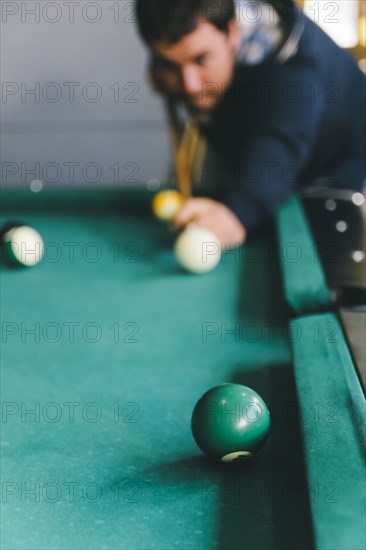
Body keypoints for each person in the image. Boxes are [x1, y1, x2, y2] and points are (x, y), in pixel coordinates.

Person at [135, 0, 366, 247]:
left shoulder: (290, 56)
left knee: (326, 253)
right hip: (255, 148)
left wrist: (239, 211)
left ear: (232, 33)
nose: (189, 84)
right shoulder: (198, 49)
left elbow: (279, 140)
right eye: (169, 63)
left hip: (342, 167)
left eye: (200, 59)